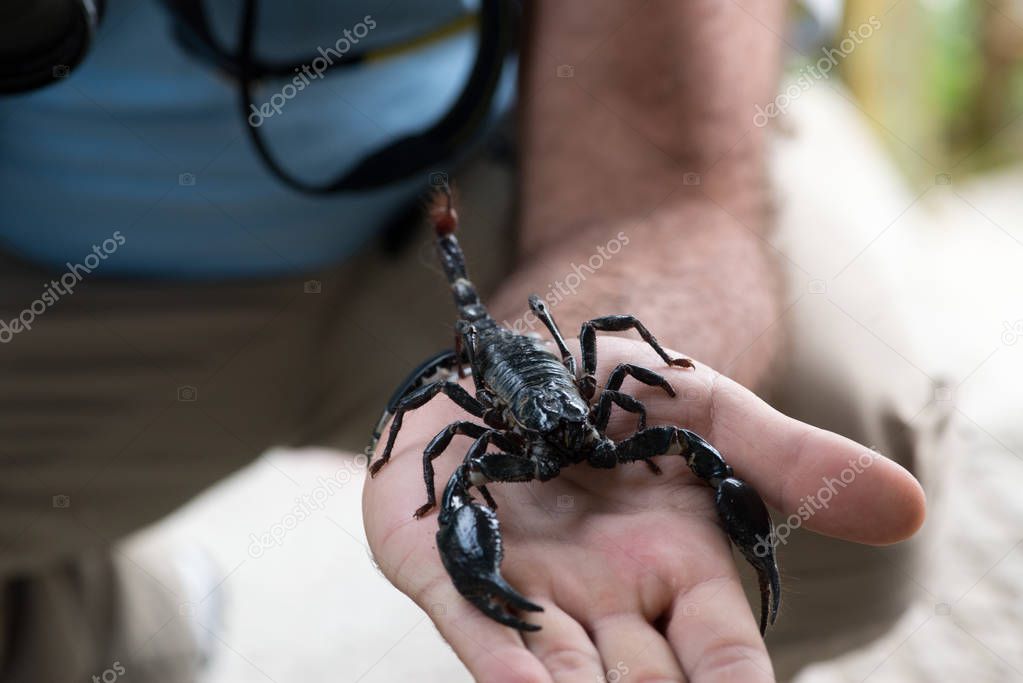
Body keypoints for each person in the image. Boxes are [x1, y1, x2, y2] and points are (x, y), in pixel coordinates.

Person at [0, 1, 927, 682]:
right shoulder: (485, 425)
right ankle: (104, 623)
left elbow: (638, 293)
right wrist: (434, 459)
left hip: (511, 162)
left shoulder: (601, 407)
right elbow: (454, 449)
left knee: (811, 431)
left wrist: (656, 330)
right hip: (58, 256)